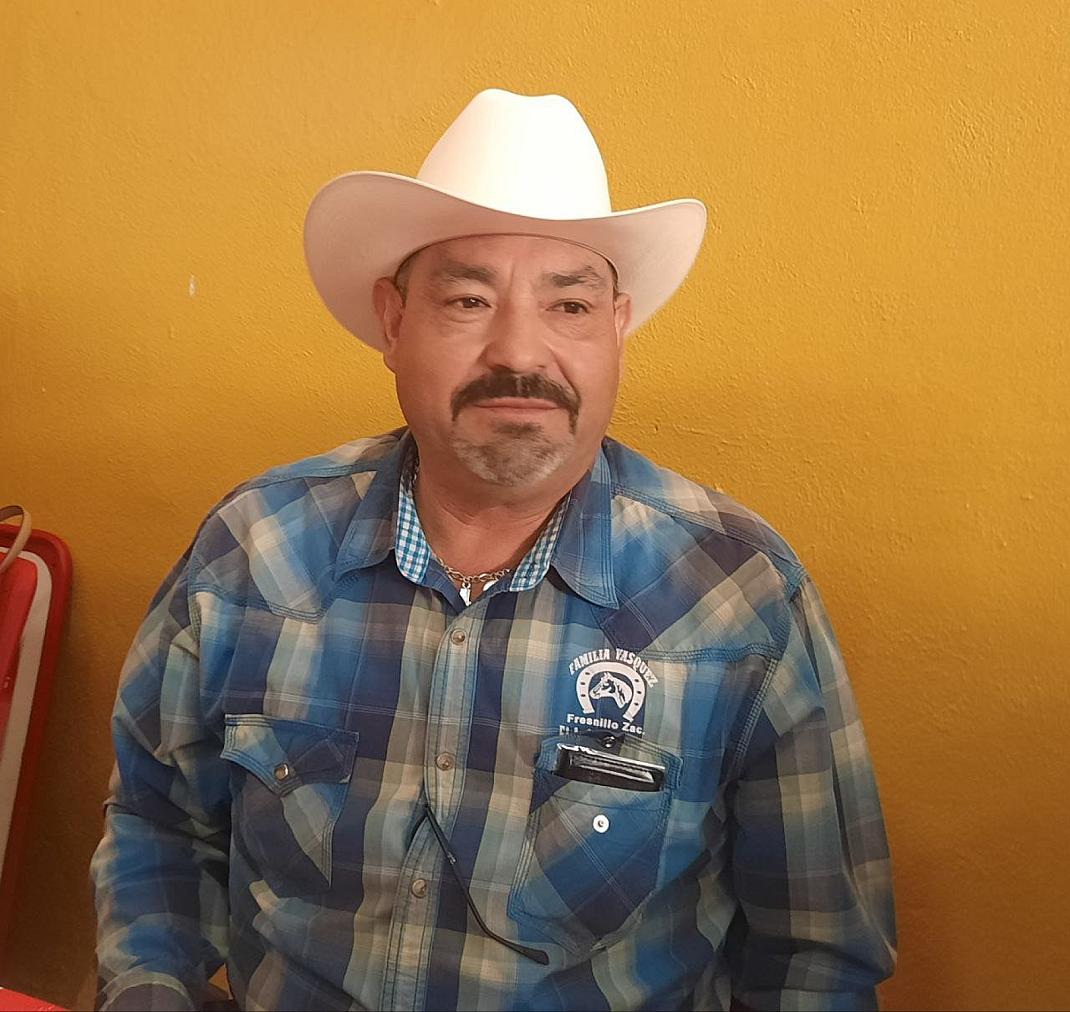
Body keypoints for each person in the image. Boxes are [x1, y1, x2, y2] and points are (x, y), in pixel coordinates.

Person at [91, 88, 896, 1011]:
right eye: (469, 300)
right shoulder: (256, 548)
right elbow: (157, 824)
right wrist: (148, 989)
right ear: (394, 322)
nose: (520, 352)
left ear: (616, 328)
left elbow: (816, 955)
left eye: (570, 305)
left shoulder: (735, 593)